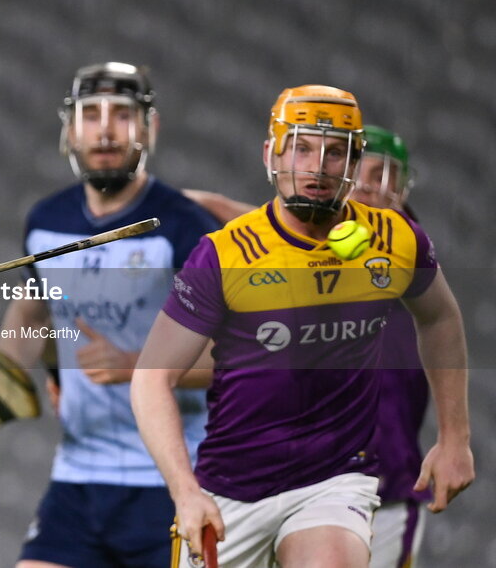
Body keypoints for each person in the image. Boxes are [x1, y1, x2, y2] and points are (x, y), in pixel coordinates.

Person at [131, 85, 474, 568]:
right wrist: (185, 491)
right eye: (302, 147)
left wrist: (455, 437)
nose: (318, 167)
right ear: (271, 153)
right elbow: (151, 378)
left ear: (354, 162)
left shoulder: (395, 241)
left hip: (334, 480)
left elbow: (440, 317)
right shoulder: (224, 255)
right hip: (231, 490)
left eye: (336, 152)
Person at [0, 62, 219, 567]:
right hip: (79, 478)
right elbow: (35, 316)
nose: (103, 130)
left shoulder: (185, 228)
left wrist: (138, 366)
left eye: (121, 115)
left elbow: (234, 357)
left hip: (173, 477)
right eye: (89, 115)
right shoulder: (46, 222)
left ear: (149, 128)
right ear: (69, 129)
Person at [352, 125, 431, 568]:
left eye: (383, 175)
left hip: (386, 497)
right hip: (305, 487)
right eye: (360, 171)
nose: (367, 185)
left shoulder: (409, 251)